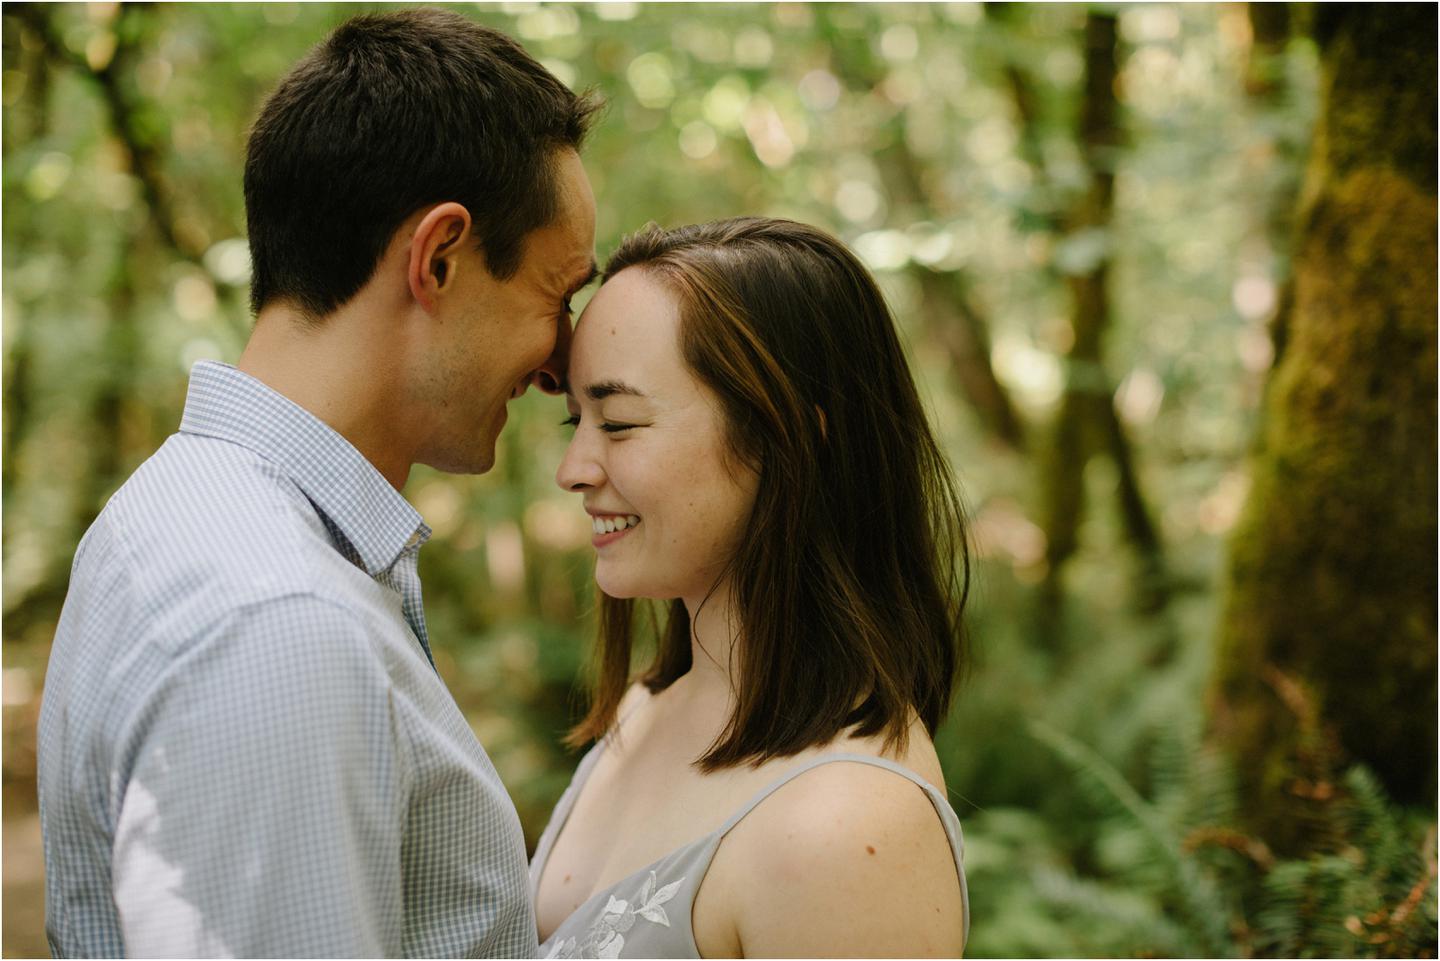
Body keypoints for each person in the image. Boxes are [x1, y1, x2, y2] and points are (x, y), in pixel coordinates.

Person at [37, 8, 599, 957]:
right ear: (440, 257)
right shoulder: (279, 623)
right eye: (556, 292)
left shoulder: (179, 512)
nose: (563, 361)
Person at [534, 217, 971, 958]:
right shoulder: (644, 711)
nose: (574, 468)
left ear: (788, 438)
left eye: (620, 421)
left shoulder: (847, 831)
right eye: (578, 420)